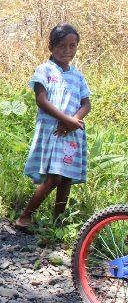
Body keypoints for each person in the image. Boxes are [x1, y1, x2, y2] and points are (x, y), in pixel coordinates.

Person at [16, 23, 91, 231]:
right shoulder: (45, 70)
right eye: (61, 46)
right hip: (53, 132)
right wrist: (67, 120)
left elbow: (86, 104)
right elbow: (41, 100)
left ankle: (58, 222)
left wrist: (73, 121)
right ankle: (25, 217)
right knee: (54, 177)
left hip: (72, 133)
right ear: (51, 46)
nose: (67, 51)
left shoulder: (78, 75)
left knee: (65, 177)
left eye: (72, 46)